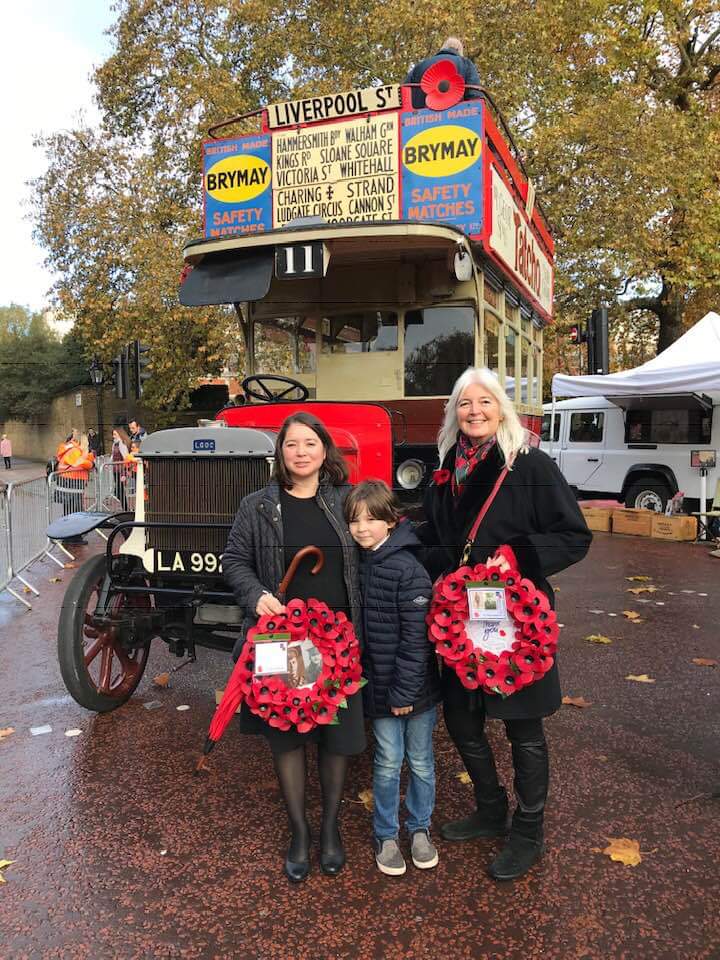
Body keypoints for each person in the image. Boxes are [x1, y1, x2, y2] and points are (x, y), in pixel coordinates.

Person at [417, 367, 592, 881]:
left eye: (484, 402)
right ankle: (491, 809)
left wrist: (518, 556)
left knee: (523, 727)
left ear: (502, 409)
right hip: (458, 618)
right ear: (454, 413)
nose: (474, 411)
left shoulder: (530, 464)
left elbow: (573, 535)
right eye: (464, 404)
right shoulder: (447, 466)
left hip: (515, 618)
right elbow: (437, 531)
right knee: (462, 720)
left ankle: (529, 831)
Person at [222, 412, 365, 883]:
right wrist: (253, 594)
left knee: (334, 735)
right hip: (284, 639)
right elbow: (235, 560)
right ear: (279, 454)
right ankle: (299, 831)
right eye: (291, 445)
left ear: (325, 450)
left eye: (309, 443)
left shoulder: (346, 500)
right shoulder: (256, 506)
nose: (301, 452)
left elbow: (383, 538)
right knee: (286, 734)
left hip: (338, 639)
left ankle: (330, 829)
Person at [345, 479, 441, 877]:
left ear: (391, 520)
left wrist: (403, 692)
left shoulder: (407, 569)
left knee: (419, 761)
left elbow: (416, 641)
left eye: (371, 519)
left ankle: (419, 829)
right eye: (354, 521)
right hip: (379, 688)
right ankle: (386, 833)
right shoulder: (360, 564)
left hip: (411, 690)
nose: (362, 528)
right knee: (387, 762)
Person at [405, 36, 482, 109]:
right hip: (458, 119)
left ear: (443, 48)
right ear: (459, 51)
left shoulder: (420, 65)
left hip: (418, 119)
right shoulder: (466, 64)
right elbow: (475, 96)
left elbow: (403, 91)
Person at [56, 434, 96, 544]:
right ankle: (72, 536)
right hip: (72, 482)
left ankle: (71, 536)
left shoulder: (72, 450)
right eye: (86, 443)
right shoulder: (74, 450)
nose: (87, 445)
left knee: (71, 510)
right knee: (74, 510)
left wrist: (90, 458)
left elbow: (82, 459)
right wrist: (91, 464)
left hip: (70, 482)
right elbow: (80, 462)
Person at [110, 428, 130, 509]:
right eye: (113, 434)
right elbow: (112, 455)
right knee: (119, 489)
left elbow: (126, 457)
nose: (113, 436)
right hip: (115, 469)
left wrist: (125, 472)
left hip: (121, 469)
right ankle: (124, 506)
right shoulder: (114, 444)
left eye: (115, 434)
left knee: (120, 489)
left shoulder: (122, 444)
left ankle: (125, 507)